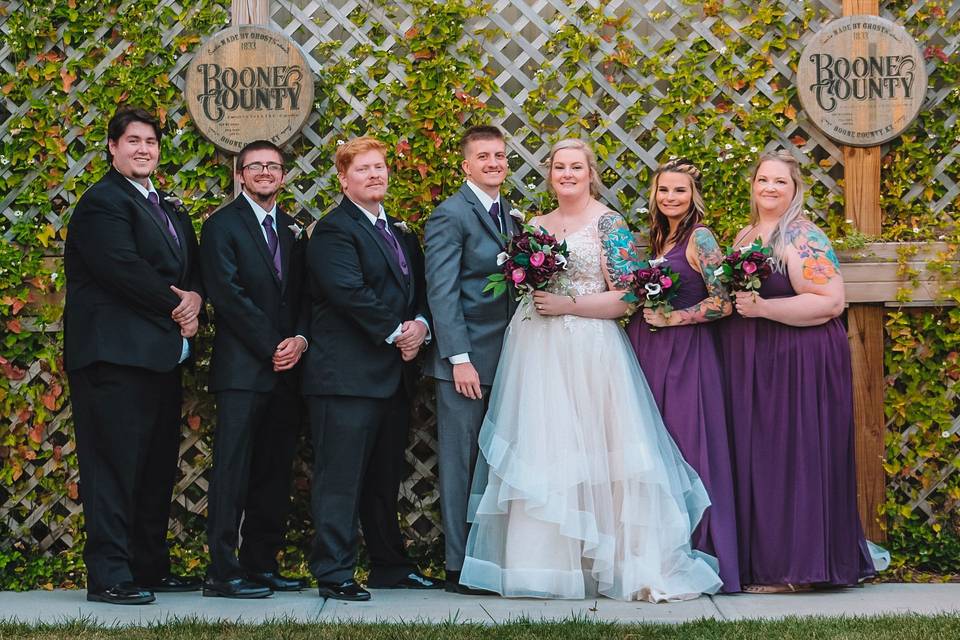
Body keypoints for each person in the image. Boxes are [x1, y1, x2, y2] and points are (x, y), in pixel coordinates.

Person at [460, 139, 722, 601]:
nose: (567, 174)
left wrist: (568, 305)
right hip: (536, 352)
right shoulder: (534, 224)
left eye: (575, 167)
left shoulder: (609, 224)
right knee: (544, 449)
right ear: (550, 174)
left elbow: (629, 297)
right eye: (559, 167)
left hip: (590, 351)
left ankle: (612, 562)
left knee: (599, 453)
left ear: (590, 172)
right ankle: (542, 568)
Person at [64, 107, 204, 604]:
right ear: (112, 147)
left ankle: (147, 566)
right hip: (113, 359)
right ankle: (109, 575)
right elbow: (121, 267)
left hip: (160, 357)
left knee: (153, 468)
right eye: (134, 141)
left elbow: (193, 265)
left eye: (151, 141)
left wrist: (196, 299)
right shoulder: (102, 203)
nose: (144, 149)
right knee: (114, 468)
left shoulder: (165, 204)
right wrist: (178, 305)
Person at [719, 150, 875, 593]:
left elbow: (830, 302)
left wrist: (765, 307)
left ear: (795, 189)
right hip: (756, 361)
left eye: (780, 182)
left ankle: (796, 570)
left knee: (793, 457)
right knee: (761, 458)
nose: (769, 188)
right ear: (753, 185)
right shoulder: (746, 234)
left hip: (797, 361)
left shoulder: (804, 236)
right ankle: (768, 561)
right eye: (763, 180)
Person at [302, 136, 442, 601]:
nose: (375, 175)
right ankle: (335, 572)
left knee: (383, 480)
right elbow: (349, 292)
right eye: (363, 169)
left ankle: (389, 566)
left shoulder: (399, 232)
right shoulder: (332, 230)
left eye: (380, 167)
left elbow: (421, 288)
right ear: (343, 179)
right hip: (345, 378)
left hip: (391, 377)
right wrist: (399, 334)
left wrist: (421, 324)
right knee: (340, 479)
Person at [625, 159, 740, 593]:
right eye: (663, 190)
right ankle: (655, 554)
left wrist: (675, 319)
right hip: (650, 353)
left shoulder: (701, 237)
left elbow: (724, 301)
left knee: (688, 448)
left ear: (694, 195)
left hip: (686, 356)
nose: (670, 198)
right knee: (652, 453)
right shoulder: (659, 237)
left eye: (680, 191)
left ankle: (701, 551)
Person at [199, 140, 308, 598]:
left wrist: (299, 339)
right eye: (255, 166)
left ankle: (262, 564)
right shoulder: (221, 226)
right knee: (233, 470)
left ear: (282, 176)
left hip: (288, 370)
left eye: (274, 166)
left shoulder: (292, 228)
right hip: (243, 370)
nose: (265, 172)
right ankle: (222, 572)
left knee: (273, 470)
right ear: (240, 176)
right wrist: (270, 346)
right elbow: (227, 295)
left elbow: (305, 294)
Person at [423, 125, 519, 594]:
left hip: (510, 361)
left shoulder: (511, 217)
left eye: (500, 156)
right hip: (465, 365)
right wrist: (459, 359)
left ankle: (494, 558)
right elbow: (441, 294)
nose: (494, 163)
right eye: (484, 157)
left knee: (498, 463)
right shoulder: (450, 215)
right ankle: (458, 566)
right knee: (461, 465)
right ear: (466, 166)